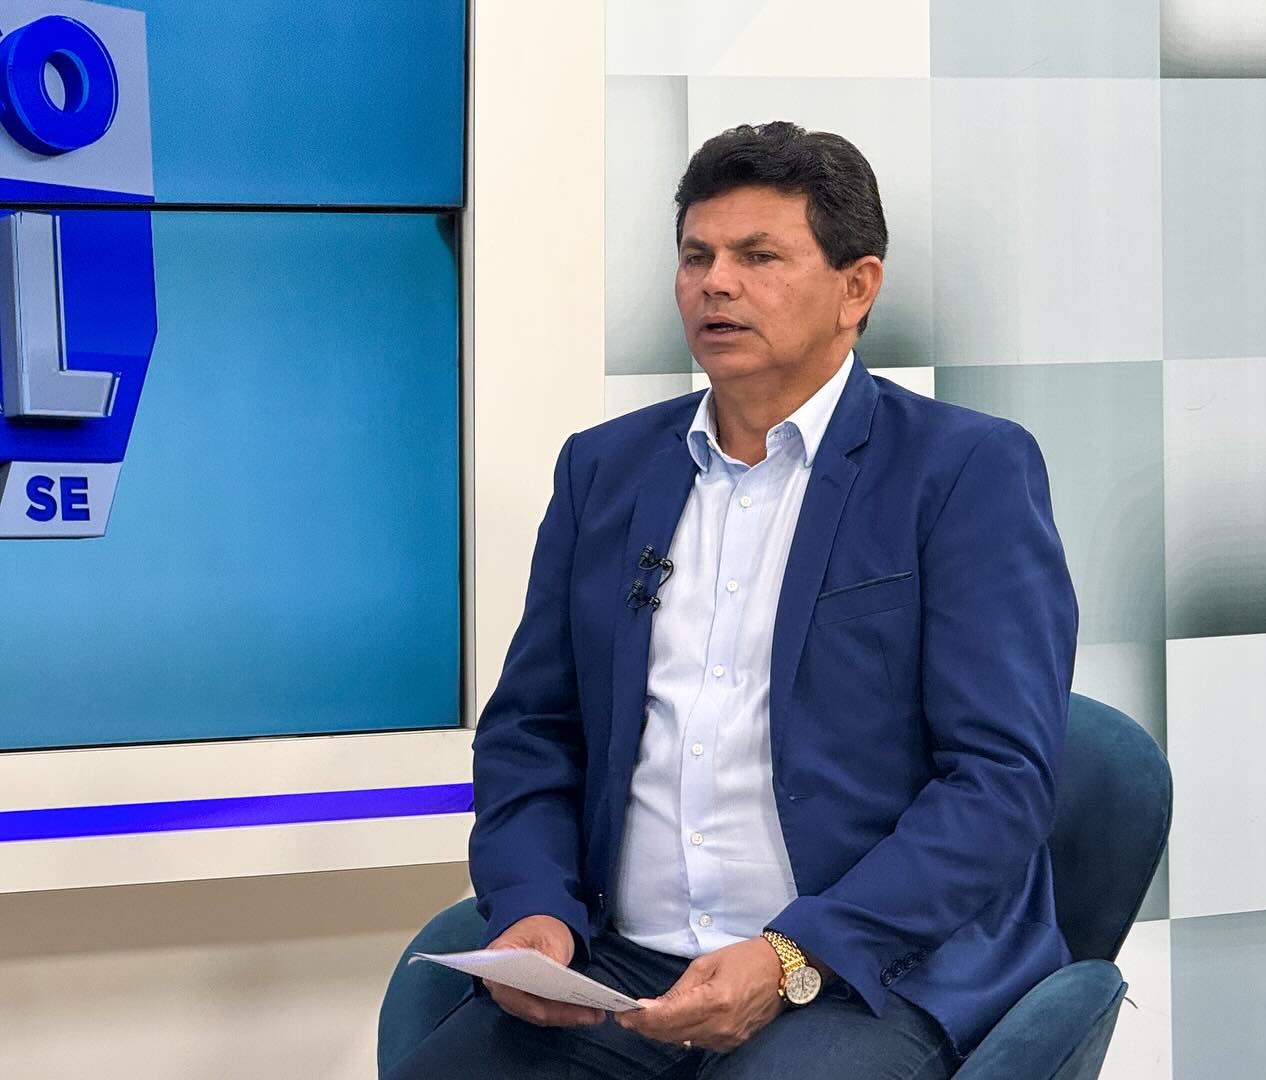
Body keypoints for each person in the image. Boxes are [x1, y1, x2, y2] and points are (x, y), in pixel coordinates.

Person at [386, 121, 1079, 1080]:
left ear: (856, 287)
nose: (716, 283)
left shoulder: (963, 471)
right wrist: (535, 904)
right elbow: (534, 729)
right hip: (624, 960)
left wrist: (792, 953)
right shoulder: (605, 470)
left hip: (866, 967)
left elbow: (1000, 780)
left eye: (759, 256)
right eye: (696, 257)